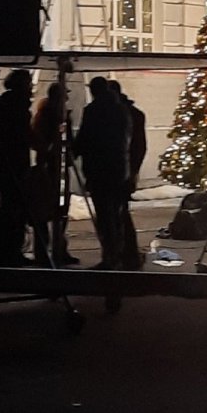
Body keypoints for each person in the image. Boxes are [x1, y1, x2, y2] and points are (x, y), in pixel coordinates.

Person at [73, 77, 131, 270]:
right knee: (116, 212)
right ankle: (118, 254)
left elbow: (86, 137)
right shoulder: (121, 109)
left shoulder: (93, 111)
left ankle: (110, 255)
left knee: (105, 214)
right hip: (118, 168)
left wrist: (74, 150)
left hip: (99, 168)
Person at [0, 68, 34, 266]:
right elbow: (23, 135)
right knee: (15, 208)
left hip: (8, 161)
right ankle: (11, 250)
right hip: (15, 160)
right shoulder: (17, 106)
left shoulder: (4, 104)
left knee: (10, 206)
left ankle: (9, 249)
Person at [31, 82, 79, 266]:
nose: (67, 99)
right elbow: (43, 141)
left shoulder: (58, 116)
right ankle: (44, 253)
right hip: (49, 168)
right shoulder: (48, 116)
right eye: (63, 95)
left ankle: (58, 249)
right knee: (45, 211)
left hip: (59, 166)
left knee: (61, 212)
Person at [109, 81, 147, 270]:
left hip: (118, 171)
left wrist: (132, 171)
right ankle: (128, 254)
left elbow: (136, 146)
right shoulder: (135, 114)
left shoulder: (119, 115)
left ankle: (125, 254)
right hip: (125, 170)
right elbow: (140, 147)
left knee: (117, 213)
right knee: (121, 211)